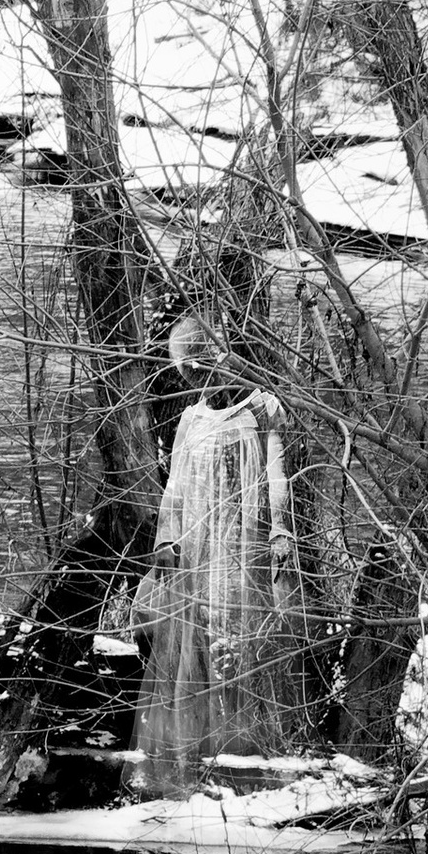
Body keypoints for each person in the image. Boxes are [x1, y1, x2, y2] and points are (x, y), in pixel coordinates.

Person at [136, 312, 304, 790]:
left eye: (197, 369)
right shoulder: (190, 421)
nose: (195, 381)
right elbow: (174, 490)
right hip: (197, 552)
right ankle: (201, 755)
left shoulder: (262, 409)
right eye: (188, 373)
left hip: (244, 548)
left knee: (244, 641)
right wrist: (166, 542)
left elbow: (277, 475)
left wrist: (280, 531)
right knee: (196, 646)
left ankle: (247, 755)